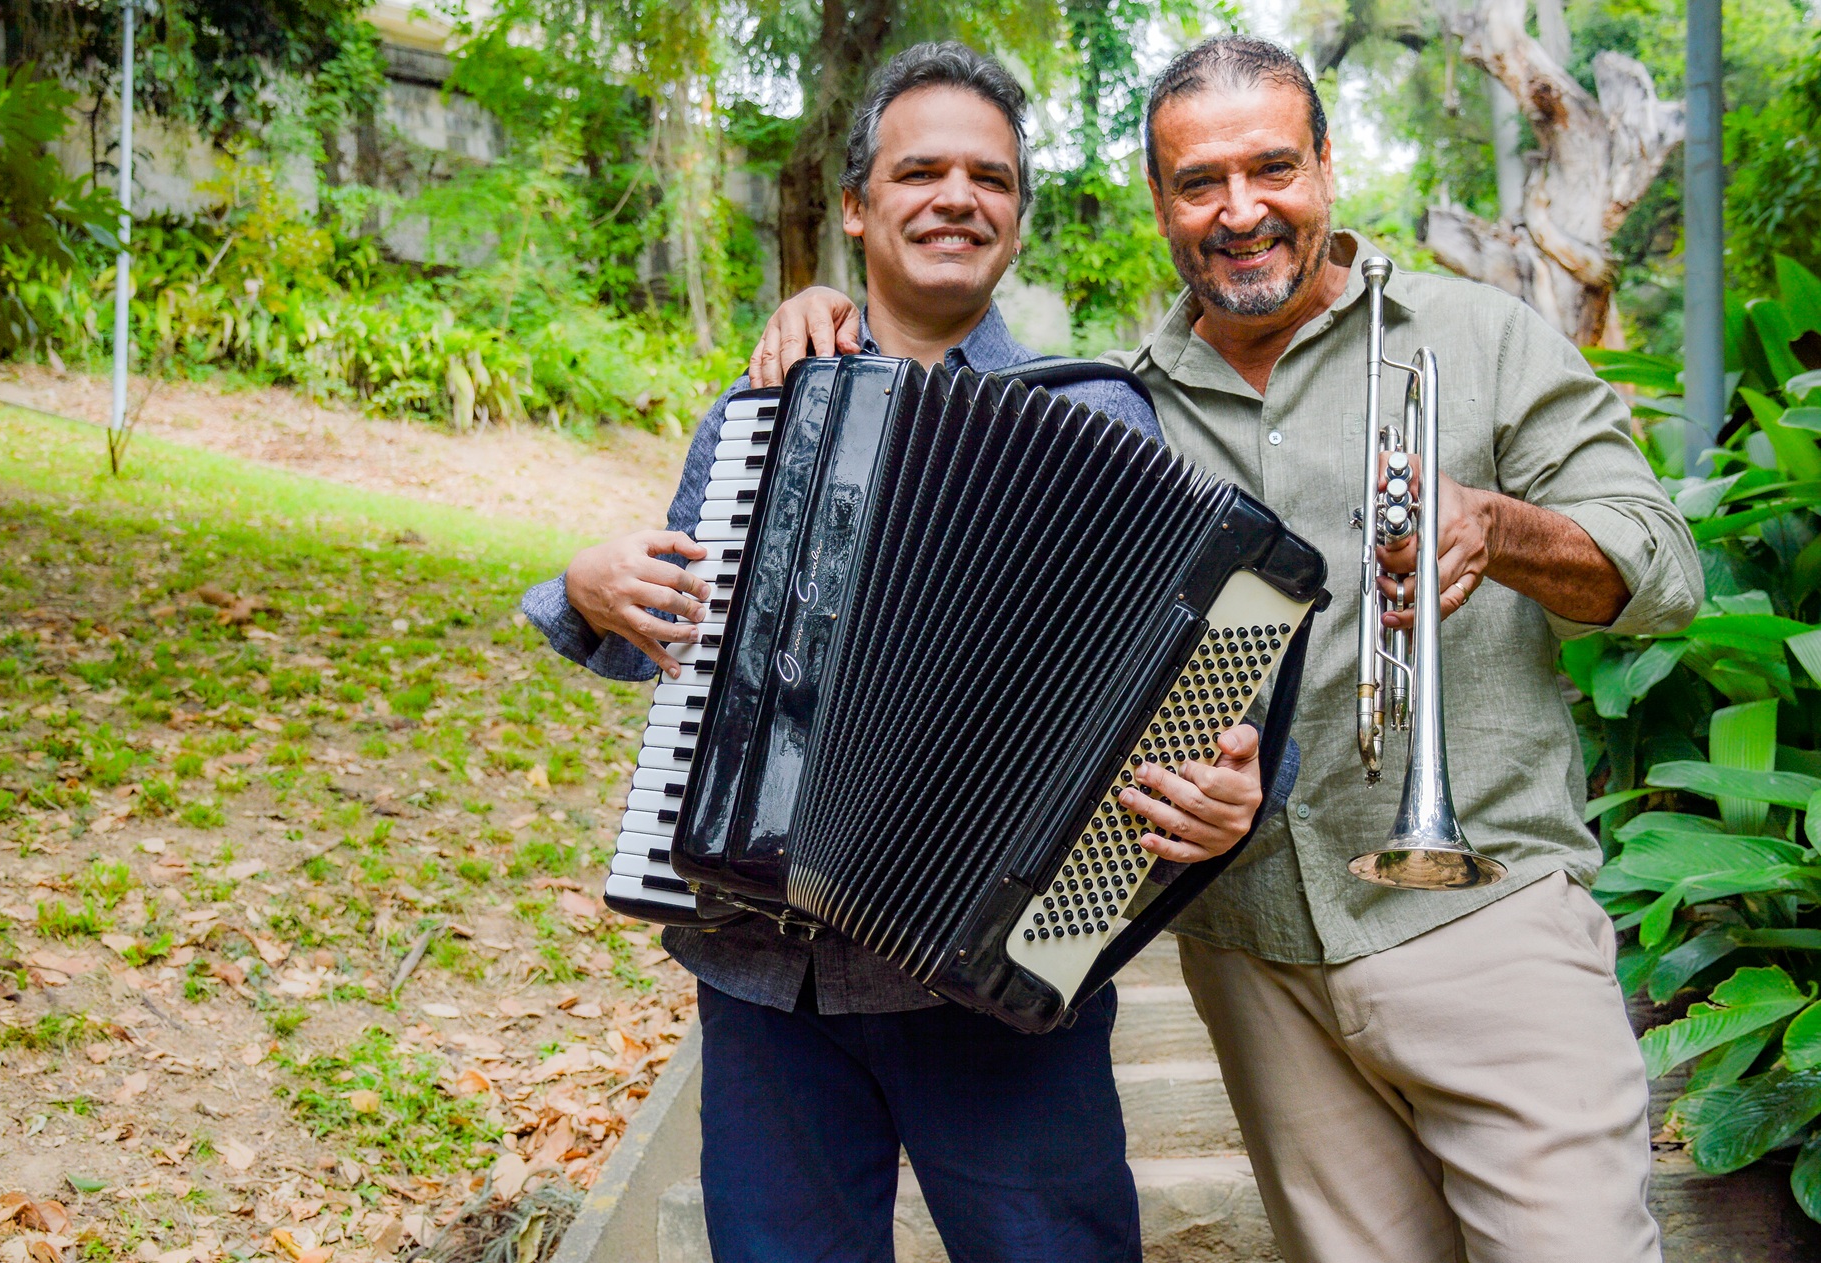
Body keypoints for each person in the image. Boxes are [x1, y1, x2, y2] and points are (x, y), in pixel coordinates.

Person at [745, 33, 1703, 1263]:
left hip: (1488, 926)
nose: (1240, 211)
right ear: (1160, 204)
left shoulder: (1479, 337)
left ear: (1325, 169)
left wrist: (1499, 527)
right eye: (1200, 182)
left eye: (1272, 169)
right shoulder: (1113, 408)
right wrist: (827, 313)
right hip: (1254, 966)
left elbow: (1662, 574)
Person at [523, 42, 1293, 1263]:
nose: (956, 199)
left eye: (990, 178)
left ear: (1017, 218)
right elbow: (675, 632)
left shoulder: (1095, 416)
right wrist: (586, 590)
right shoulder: (759, 410)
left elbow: (1191, 681)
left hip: (995, 982)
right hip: (763, 979)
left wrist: (1239, 785)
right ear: (855, 206)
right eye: (920, 171)